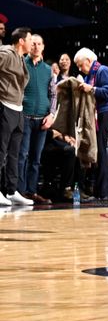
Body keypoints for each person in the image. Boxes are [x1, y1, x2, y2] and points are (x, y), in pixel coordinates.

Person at [17, 34, 57, 204]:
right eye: (32, 44)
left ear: (43, 46)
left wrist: (52, 115)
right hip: (24, 117)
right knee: (22, 155)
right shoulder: (21, 64)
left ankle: (32, 192)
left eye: (39, 44)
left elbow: (53, 95)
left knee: (36, 158)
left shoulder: (48, 70)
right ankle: (19, 192)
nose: (35, 47)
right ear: (28, 45)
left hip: (42, 119)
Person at [74, 47, 108, 201]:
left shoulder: (103, 71)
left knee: (101, 153)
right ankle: (100, 191)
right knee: (98, 153)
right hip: (96, 115)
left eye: (80, 65)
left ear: (88, 61)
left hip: (104, 114)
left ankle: (106, 192)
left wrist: (90, 88)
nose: (80, 68)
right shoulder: (91, 75)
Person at [0, 28, 35, 206]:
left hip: (18, 108)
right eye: (30, 39)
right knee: (1, 150)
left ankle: (11, 191)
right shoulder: (6, 53)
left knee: (14, 153)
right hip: (5, 106)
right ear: (21, 41)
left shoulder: (21, 59)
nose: (32, 43)